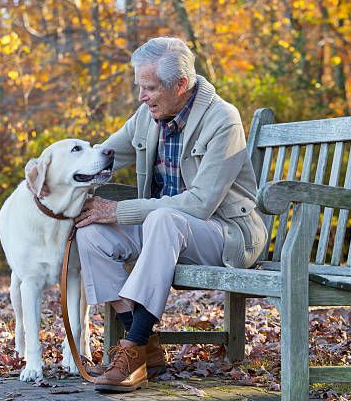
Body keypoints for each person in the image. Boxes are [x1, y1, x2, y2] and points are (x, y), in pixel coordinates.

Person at [74, 36, 268, 393]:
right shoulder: (147, 116)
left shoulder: (223, 119)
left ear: (180, 84)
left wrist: (119, 210)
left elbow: (198, 205)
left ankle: (130, 350)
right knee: (91, 231)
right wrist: (60, 174)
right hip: (167, 229)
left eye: (148, 88)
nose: (140, 96)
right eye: (140, 87)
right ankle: (143, 342)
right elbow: (104, 154)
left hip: (226, 236)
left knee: (162, 218)